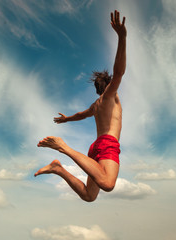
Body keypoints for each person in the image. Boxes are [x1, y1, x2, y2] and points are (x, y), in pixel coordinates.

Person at [34, 10, 126, 202]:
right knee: (108, 184)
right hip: (107, 143)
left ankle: (58, 168)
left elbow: (80, 115)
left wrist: (66, 118)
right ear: (108, 85)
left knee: (89, 195)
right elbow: (118, 73)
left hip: (95, 147)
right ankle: (64, 148)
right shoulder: (111, 95)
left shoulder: (96, 105)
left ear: (95, 89)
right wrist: (122, 37)